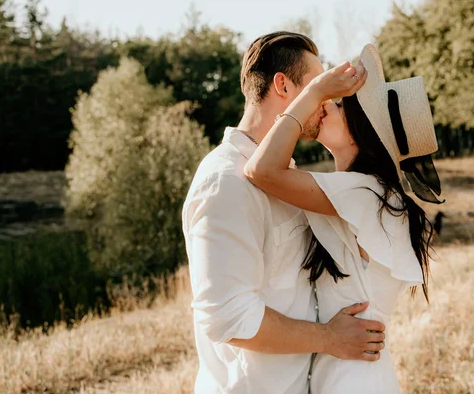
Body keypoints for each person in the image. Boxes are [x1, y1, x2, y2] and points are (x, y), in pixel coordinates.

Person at [182, 33, 387, 394]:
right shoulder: (224, 182)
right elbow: (228, 318)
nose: (325, 101)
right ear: (283, 85)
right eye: (318, 86)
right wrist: (328, 338)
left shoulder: (286, 176)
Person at [244, 43, 444, 393]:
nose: (325, 105)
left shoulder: (365, 193)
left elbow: (261, 170)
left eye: (337, 104)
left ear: (362, 127)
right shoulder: (364, 193)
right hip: (349, 372)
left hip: (353, 379)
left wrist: (310, 91)